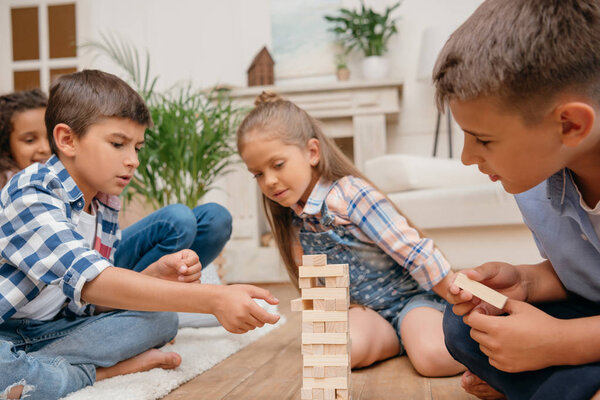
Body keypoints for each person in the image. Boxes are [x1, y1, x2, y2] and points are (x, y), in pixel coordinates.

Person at [0, 70, 280, 400]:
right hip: (7, 333)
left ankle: (49, 370)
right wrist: (215, 299)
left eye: (137, 147)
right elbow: (93, 281)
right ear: (67, 140)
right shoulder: (31, 194)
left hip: (54, 328)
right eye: (118, 144)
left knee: (160, 320)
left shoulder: (103, 199)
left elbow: (89, 301)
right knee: (8, 373)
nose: (132, 161)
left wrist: (153, 275)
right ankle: (106, 370)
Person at [432, 1, 600, 399]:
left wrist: (561, 342)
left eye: (484, 140)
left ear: (570, 125)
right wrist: (527, 282)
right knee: (465, 327)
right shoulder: (537, 183)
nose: (467, 157)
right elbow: (589, 274)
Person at [236, 91, 467, 376]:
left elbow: (412, 249)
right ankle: (401, 339)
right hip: (364, 311)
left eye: (278, 165)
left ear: (312, 152)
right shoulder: (293, 222)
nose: (269, 181)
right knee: (342, 351)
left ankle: (420, 332)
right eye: (258, 173)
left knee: (434, 358)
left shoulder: (350, 194)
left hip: (412, 301)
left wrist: (457, 295)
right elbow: (317, 287)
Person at [0, 89, 232, 278]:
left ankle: (152, 301)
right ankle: (148, 305)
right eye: (30, 140)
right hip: (75, 282)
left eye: (137, 148)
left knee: (213, 217)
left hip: (101, 266)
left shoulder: (97, 183)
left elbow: (107, 245)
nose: (43, 147)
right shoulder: (22, 191)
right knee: (179, 219)